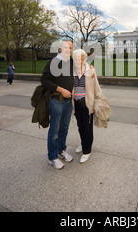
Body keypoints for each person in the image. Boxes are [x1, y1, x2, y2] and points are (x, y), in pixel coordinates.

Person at [41, 40, 75, 170]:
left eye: (71, 48)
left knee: (64, 128)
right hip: (56, 101)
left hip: (68, 103)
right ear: (61, 48)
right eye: (66, 47)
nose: (68, 50)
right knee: (54, 130)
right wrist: (60, 89)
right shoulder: (53, 62)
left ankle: (62, 150)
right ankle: (52, 157)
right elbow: (44, 80)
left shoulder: (71, 62)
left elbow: (81, 68)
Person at [72, 49, 101, 164]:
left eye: (79, 59)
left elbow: (96, 87)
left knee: (87, 127)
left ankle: (87, 151)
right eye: (75, 59)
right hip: (76, 103)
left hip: (87, 103)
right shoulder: (71, 71)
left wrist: (99, 101)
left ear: (84, 59)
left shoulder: (90, 70)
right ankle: (83, 142)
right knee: (80, 125)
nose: (77, 61)